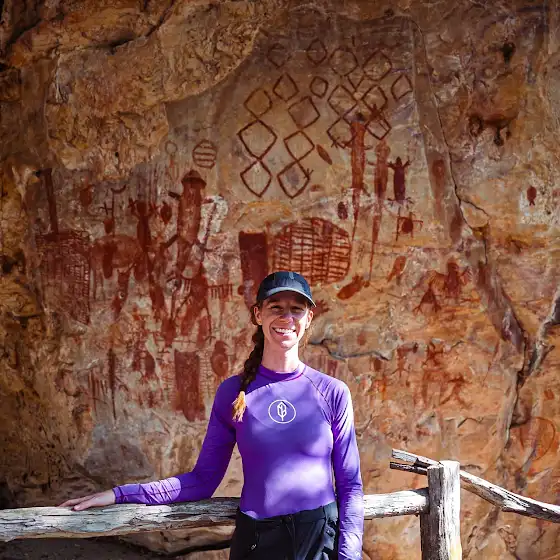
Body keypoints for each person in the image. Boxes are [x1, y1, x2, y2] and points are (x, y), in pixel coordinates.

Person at [60, 271, 364, 560]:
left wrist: (348, 555)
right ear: (258, 314)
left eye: (297, 309)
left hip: (317, 541)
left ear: (309, 318)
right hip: (256, 542)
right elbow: (202, 480)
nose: (286, 318)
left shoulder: (332, 392)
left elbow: (350, 485)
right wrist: (120, 494)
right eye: (276, 307)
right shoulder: (233, 393)